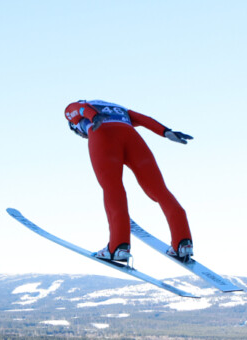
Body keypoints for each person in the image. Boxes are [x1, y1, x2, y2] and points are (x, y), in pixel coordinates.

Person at [65, 99, 194, 263]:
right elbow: (142, 118)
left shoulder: (74, 109)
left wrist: (95, 117)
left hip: (103, 136)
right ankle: (183, 243)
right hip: (132, 137)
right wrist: (166, 132)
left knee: (113, 189)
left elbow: (80, 109)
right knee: (160, 190)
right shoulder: (118, 108)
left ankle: (118, 246)